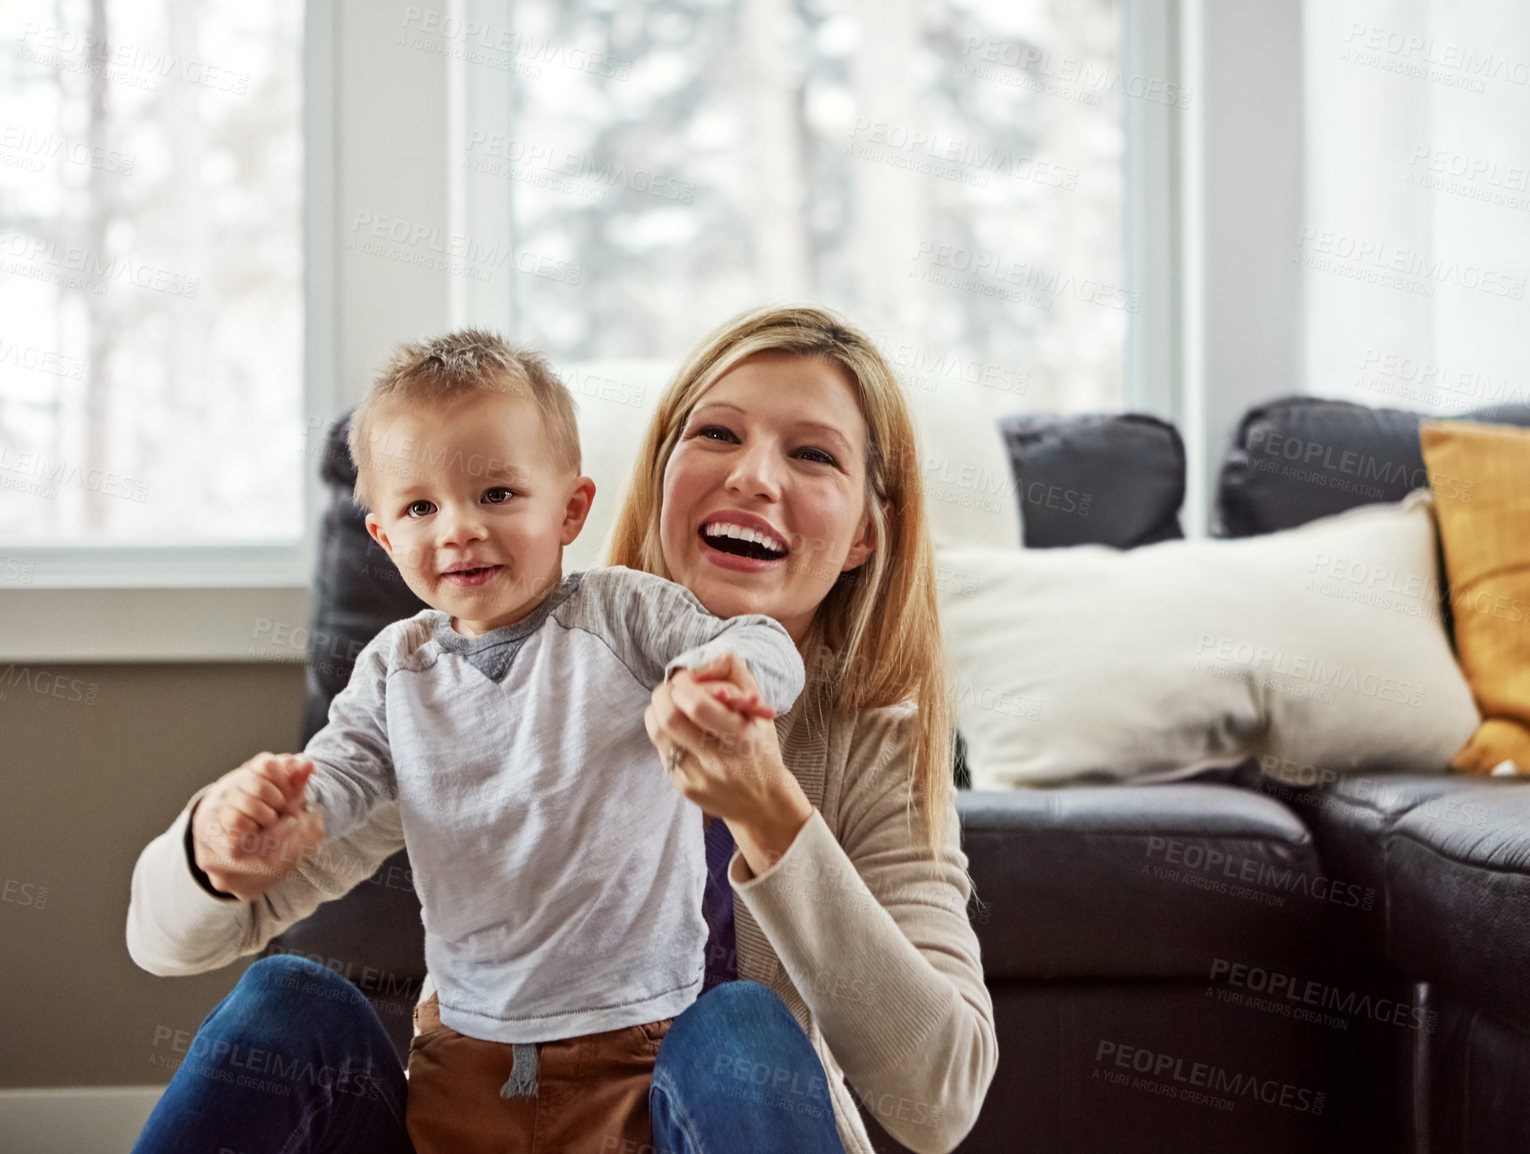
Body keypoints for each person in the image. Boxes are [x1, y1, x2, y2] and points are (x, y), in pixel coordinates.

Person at [127, 305, 998, 1154]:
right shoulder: (481, 672)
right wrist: (215, 850)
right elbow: (173, 940)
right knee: (284, 1001)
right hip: (477, 1109)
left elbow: (940, 1105)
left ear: (863, 536)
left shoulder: (878, 741)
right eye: (718, 435)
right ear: (661, 472)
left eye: (812, 454)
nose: (754, 477)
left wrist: (772, 815)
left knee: (736, 1023)